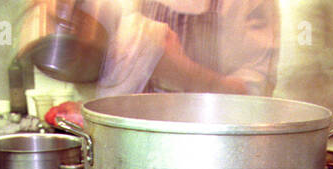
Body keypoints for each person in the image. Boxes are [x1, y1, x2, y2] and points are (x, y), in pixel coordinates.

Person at [86, 0, 280, 97]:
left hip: (205, 151)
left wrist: (186, 73)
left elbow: (257, 98)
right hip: (122, 142)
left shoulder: (249, 4)